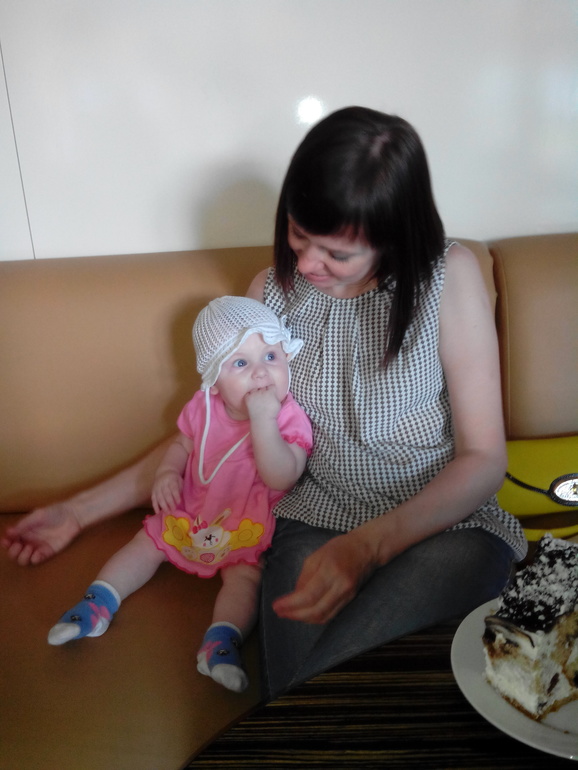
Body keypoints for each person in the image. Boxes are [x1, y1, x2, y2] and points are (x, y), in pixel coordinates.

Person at [2, 106, 527, 701]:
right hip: (317, 519)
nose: (305, 264)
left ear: (395, 235)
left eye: (335, 253)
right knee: (303, 694)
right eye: (298, 235)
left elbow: (483, 459)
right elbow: (211, 434)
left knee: (333, 686)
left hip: (447, 525)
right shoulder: (270, 294)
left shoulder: (447, 278)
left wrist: (370, 546)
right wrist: (78, 511)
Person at [44, 296, 312, 693]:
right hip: (192, 509)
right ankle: (97, 602)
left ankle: (220, 643)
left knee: (245, 579)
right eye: (241, 363)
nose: (261, 372)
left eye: (271, 356)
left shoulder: (289, 417)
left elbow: (282, 476)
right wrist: (168, 472)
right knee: (145, 543)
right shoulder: (205, 406)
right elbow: (183, 445)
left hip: (246, 523)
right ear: (214, 380)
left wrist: (264, 421)